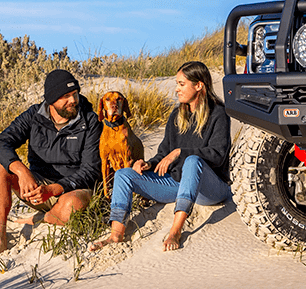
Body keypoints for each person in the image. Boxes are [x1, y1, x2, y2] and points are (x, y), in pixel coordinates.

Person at [90, 61, 231, 252]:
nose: (176, 89)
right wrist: (148, 164)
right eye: (176, 84)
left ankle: (176, 231)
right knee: (123, 174)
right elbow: (163, 154)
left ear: (199, 85)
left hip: (210, 189)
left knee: (192, 161)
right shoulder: (177, 114)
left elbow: (218, 155)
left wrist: (180, 152)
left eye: (181, 84)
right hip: (177, 184)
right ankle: (116, 233)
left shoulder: (219, 114)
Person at [0, 69, 101, 255]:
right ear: (51, 99)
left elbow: (91, 170)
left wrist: (55, 188)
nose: (73, 100)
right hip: (37, 189)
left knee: (72, 205)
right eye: (65, 96)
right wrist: (22, 171)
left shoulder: (90, 121)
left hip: (73, 190)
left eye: (75, 94)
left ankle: (42, 218)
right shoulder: (34, 116)